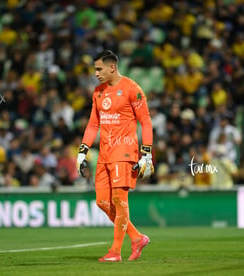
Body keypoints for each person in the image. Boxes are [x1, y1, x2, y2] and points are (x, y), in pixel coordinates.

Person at [76, 50, 153, 262]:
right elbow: (93, 124)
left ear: (112, 67)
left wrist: (147, 154)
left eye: (99, 69)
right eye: (95, 70)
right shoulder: (98, 91)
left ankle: (115, 252)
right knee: (103, 202)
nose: (96, 73)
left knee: (119, 200)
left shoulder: (132, 89)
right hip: (104, 154)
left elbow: (145, 122)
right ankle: (137, 238)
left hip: (125, 151)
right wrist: (82, 151)